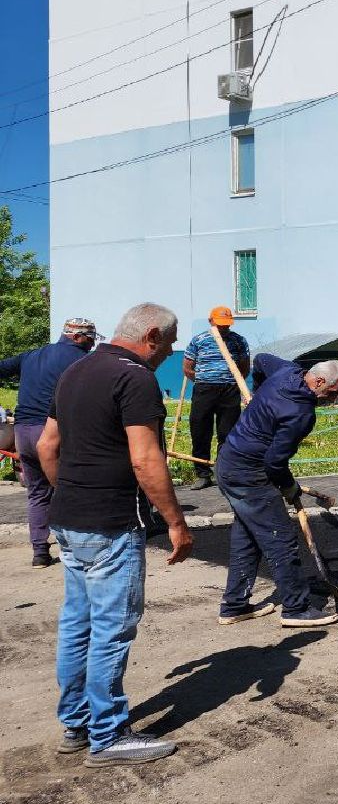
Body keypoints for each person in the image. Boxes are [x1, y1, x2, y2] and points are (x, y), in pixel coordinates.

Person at [36, 303, 193, 767]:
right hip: (110, 523)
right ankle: (108, 736)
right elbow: (146, 461)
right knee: (110, 629)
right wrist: (176, 523)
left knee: (77, 624)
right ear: (150, 335)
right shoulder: (135, 379)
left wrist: (69, 491)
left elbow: (48, 446)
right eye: (169, 341)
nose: (170, 351)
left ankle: (76, 724)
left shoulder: (75, 372)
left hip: (68, 519)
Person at [215, 354, 338, 628]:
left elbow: (262, 359)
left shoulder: (286, 372)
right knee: (281, 539)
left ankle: (234, 606)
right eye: (334, 393)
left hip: (228, 462)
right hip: (250, 475)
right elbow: (274, 462)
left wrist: (257, 390)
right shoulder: (301, 413)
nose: (333, 399)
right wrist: (289, 487)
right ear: (320, 381)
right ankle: (296, 608)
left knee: (247, 535)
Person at [0, 319, 99, 567]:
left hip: (23, 432)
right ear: (77, 337)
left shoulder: (32, 355)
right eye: (91, 338)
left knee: (37, 493)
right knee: (72, 487)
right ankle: (80, 547)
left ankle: (40, 553)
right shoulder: (83, 361)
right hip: (55, 432)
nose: (93, 343)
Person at [182, 306, 251, 489]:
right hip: (204, 390)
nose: (223, 328)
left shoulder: (238, 341)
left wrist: (234, 382)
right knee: (200, 430)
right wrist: (205, 380)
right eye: (220, 324)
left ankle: (224, 472)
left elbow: (245, 367)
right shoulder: (200, 340)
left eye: (226, 325)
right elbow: (188, 367)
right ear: (211, 321)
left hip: (229, 390)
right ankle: (203, 474)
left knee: (227, 433)